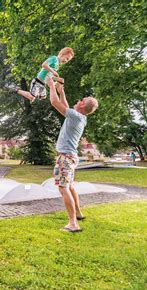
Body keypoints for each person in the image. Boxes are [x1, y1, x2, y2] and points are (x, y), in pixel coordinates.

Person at [46, 75, 99, 233]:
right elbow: (66, 107)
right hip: (71, 156)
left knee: (63, 188)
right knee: (70, 186)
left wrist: (51, 86)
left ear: (82, 105)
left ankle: (73, 223)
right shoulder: (80, 117)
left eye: (81, 99)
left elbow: (55, 103)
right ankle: (79, 213)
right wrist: (61, 91)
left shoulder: (76, 116)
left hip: (65, 157)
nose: (78, 100)